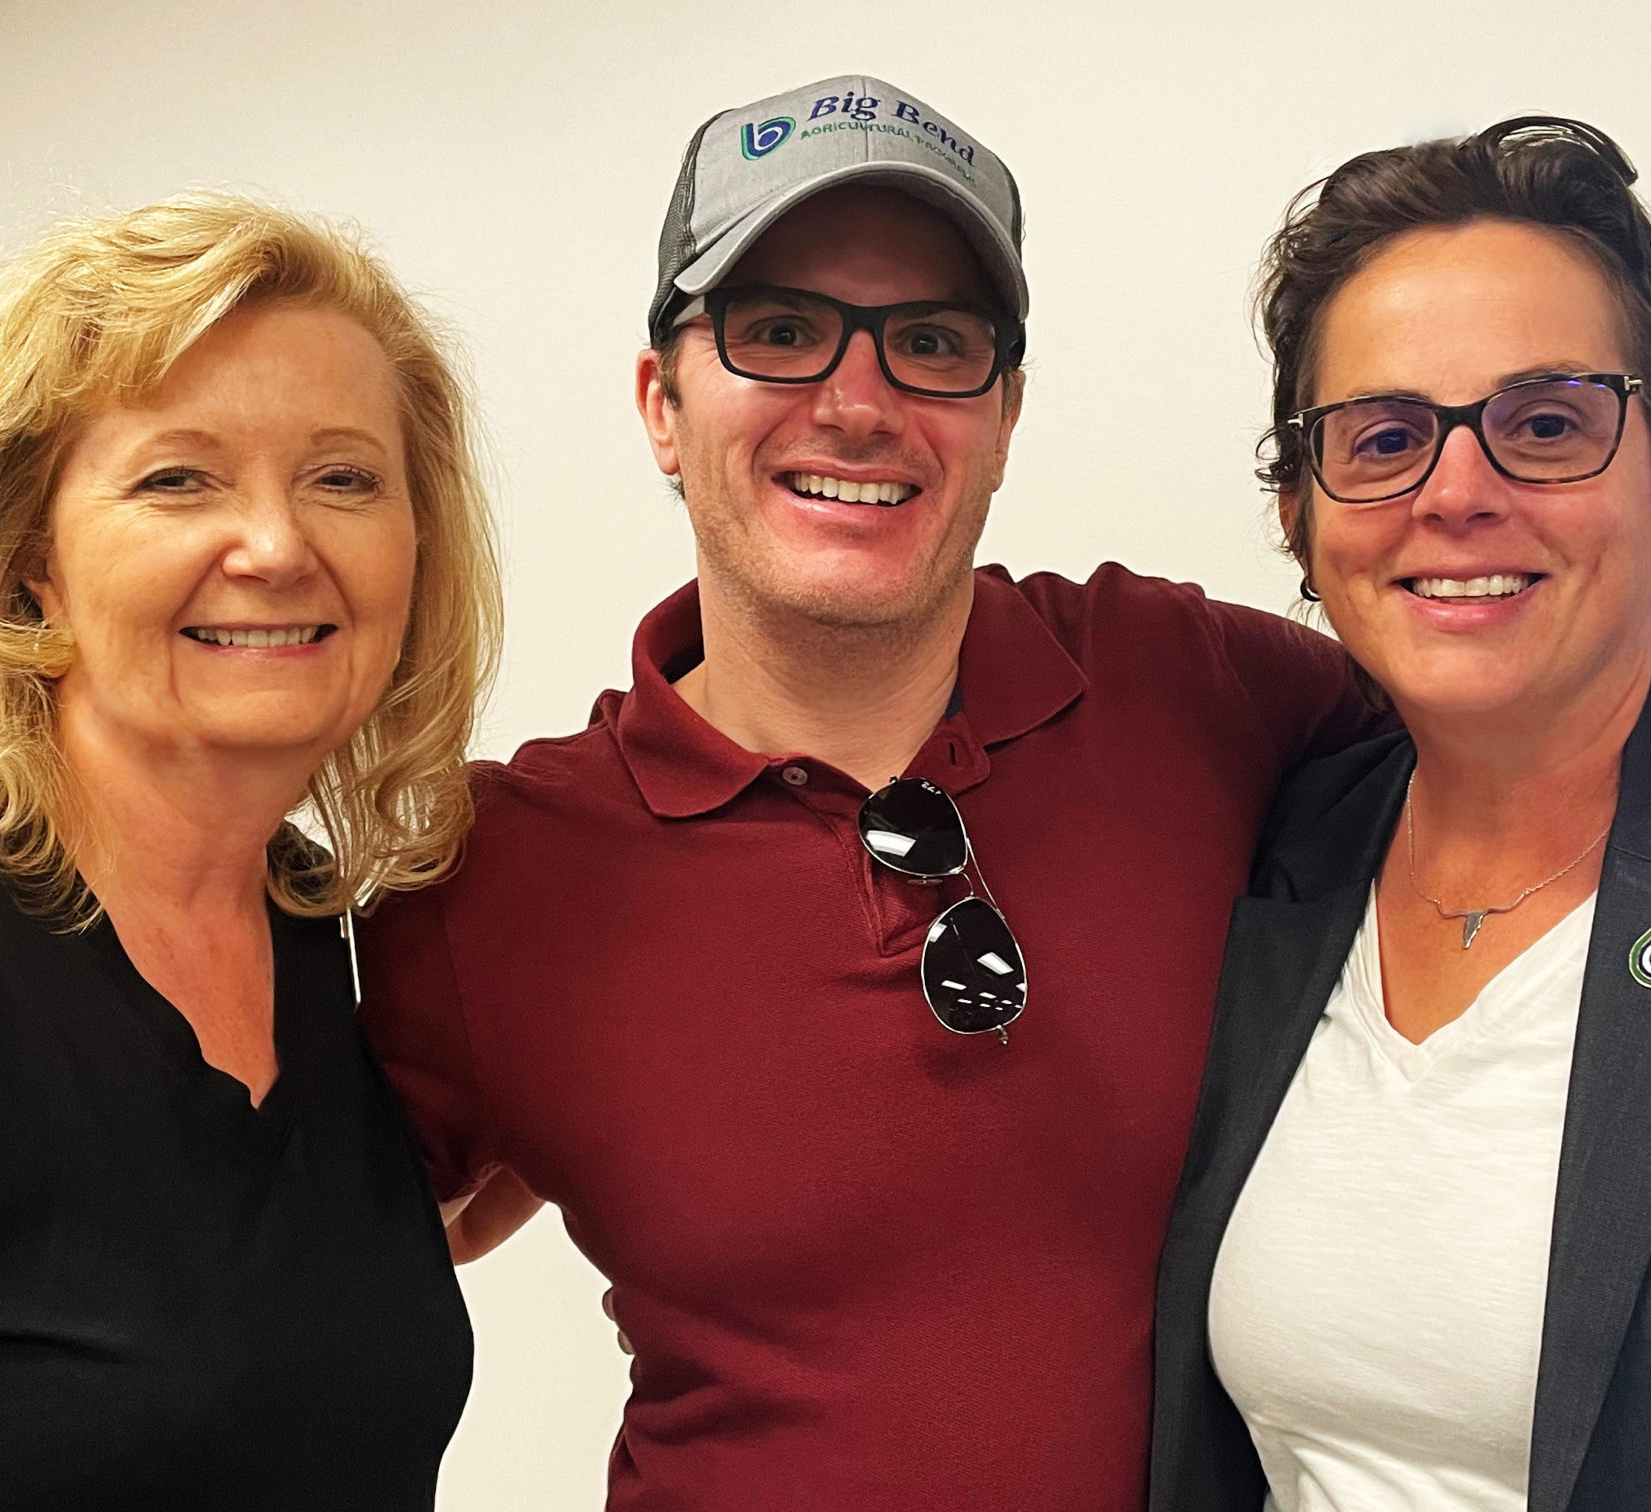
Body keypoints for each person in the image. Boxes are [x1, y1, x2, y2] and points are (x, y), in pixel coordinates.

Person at [359, 76, 1383, 1510]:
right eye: (779, 331)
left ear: (1007, 411)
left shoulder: (1192, 683)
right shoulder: (498, 875)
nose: (858, 402)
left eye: (932, 344)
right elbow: (277, 1284)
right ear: (663, 402)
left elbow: (1515, 773)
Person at [0, 194, 498, 1509]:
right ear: (30, 554)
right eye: (177, 477)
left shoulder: (336, 945)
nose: (275, 547)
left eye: (342, 477)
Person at [1150, 117, 1651, 1512]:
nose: (1456, 492)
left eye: (1546, 423)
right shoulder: (1267, 855)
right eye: (1382, 438)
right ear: (1299, 510)